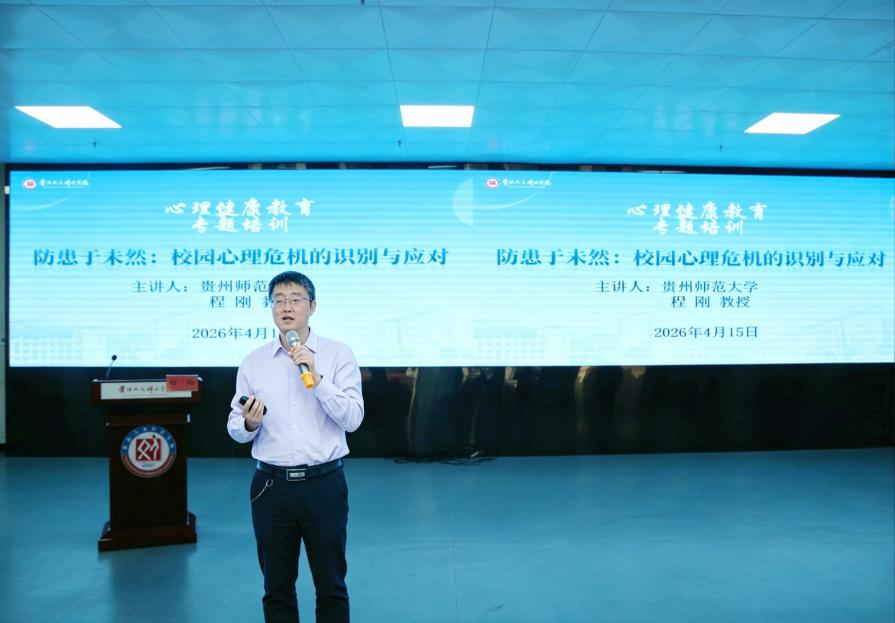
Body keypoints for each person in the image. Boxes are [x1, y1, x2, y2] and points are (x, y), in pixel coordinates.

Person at [227, 270, 364, 623]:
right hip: (270, 488)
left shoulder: (338, 354)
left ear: (312, 306)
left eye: (295, 299)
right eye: (279, 300)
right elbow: (235, 427)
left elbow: (353, 419)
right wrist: (249, 423)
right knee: (276, 588)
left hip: (324, 485)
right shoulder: (253, 361)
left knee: (331, 586)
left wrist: (316, 378)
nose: (286, 307)